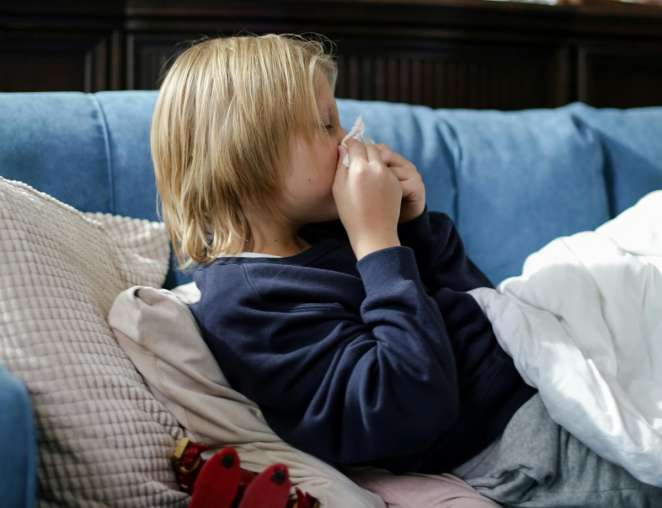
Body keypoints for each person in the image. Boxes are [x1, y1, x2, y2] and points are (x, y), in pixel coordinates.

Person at [150, 33, 662, 507]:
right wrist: (377, 243)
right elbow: (408, 405)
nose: (347, 140)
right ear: (248, 153)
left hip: (544, 384)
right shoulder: (250, 305)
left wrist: (412, 224)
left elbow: (477, 311)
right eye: (326, 125)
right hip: (521, 450)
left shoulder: (326, 235)